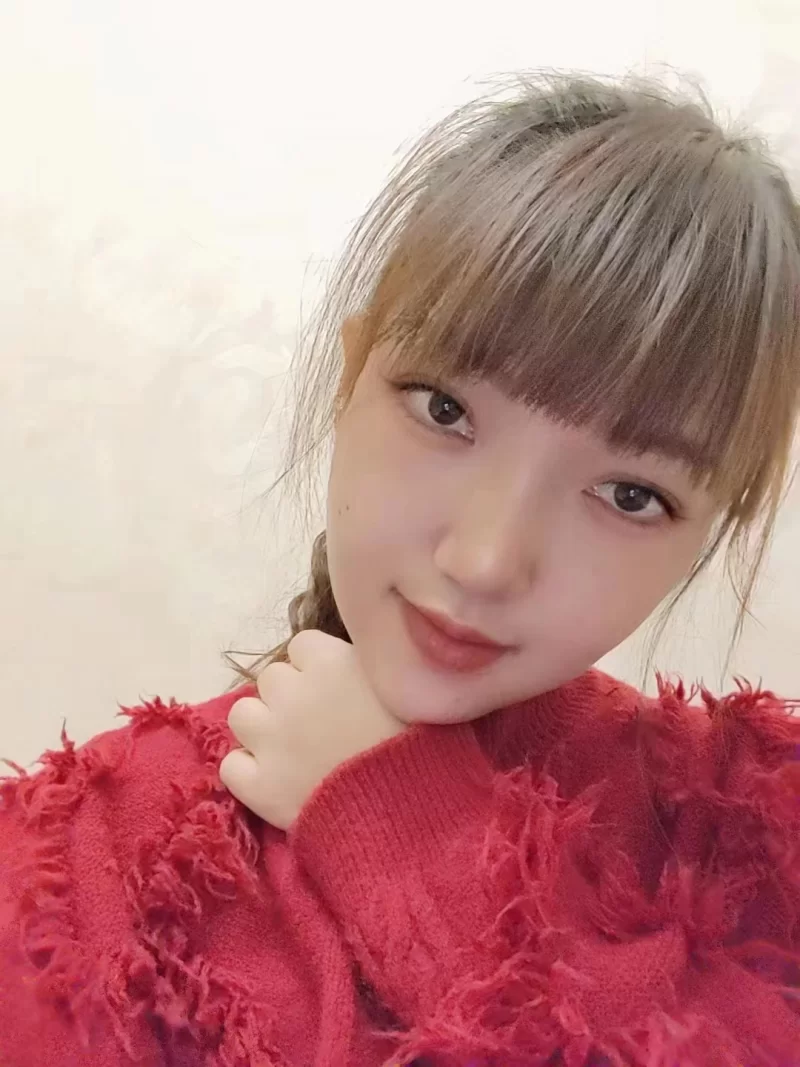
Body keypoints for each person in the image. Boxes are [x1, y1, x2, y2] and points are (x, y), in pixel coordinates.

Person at [1, 72, 799, 1067]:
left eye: (630, 493)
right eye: (444, 409)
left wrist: (408, 837)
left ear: (712, 526)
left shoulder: (746, 838)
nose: (484, 560)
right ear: (351, 375)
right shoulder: (87, 862)